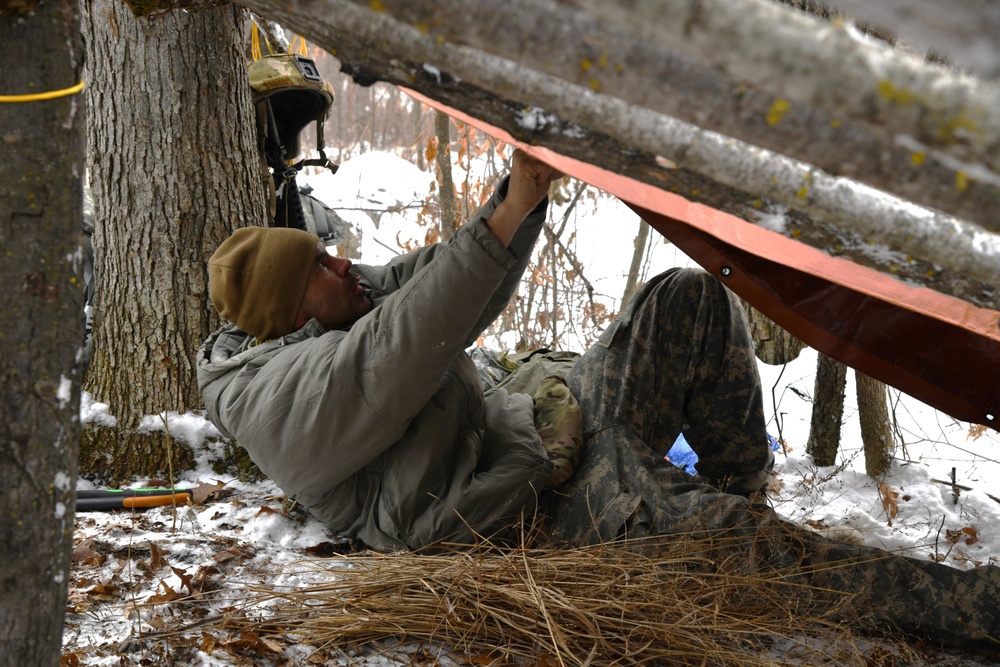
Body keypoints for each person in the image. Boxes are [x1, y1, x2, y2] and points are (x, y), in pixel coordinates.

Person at [198, 149, 1000, 647]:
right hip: (516, 519)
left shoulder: (329, 311)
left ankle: (733, 494)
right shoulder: (280, 400)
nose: (345, 265)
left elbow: (435, 286)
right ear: (293, 308)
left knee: (684, 298)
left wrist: (524, 193)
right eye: (322, 267)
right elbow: (404, 342)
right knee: (745, 546)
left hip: (538, 434)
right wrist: (507, 210)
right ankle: (975, 607)